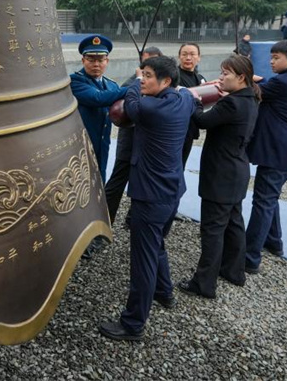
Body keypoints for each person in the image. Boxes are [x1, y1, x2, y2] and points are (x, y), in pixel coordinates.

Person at [98, 56, 196, 341]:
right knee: (157, 246)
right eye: (143, 74)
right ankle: (164, 293)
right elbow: (191, 95)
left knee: (142, 261)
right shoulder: (183, 101)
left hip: (150, 197)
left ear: (166, 81)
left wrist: (133, 81)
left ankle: (133, 324)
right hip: (172, 192)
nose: (143, 79)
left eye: (149, 75)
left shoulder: (151, 108)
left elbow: (130, 101)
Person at [178, 55, 260, 299]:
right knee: (234, 224)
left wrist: (192, 99)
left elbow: (202, 121)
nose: (221, 78)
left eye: (226, 74)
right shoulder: (250, 99)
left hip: (221, 176)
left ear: (241, 77)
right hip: (237, 172)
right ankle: (234, 272)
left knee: (212, 230)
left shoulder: (231, 104)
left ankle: (204, 284)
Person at [244, 40, 287, 274]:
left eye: (276, 58)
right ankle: (274, 241)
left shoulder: (282, 83)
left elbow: (250, 89)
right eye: (271, 57)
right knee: (269, 198)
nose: (271, 62)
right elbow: (262, 84)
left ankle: (249, 257)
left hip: (278, 152)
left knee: (262, 201)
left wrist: (243, 74)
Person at [103, 46, 163, 227]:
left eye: (154, 60)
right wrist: (139, 80)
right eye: (146, 60)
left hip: (149, 144)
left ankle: (133, 219)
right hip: (129, 142)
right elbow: (125, 101)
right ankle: (104, 222)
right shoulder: (134, 82)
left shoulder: (162, 84)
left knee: (144, 184)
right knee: (117, 181)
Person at [70, 35, 127, 182]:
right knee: (80, 181)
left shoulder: (112, 85)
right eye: (91, 59)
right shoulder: (75, 81)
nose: (96, 64)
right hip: (81, 143)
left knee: (100, 177)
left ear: (107, 61)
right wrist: (133, 88)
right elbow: (98, 98)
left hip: (103, 142)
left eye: (100, 60)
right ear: (83, 60)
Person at [177, 43, 206, 169]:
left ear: (199, 57)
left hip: (191, 128)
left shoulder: (200, 78)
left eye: (192, 54)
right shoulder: (173, 77)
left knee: (182, 165)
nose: (188, 58)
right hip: (176, 129)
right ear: (179, 57)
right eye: (184, 54)